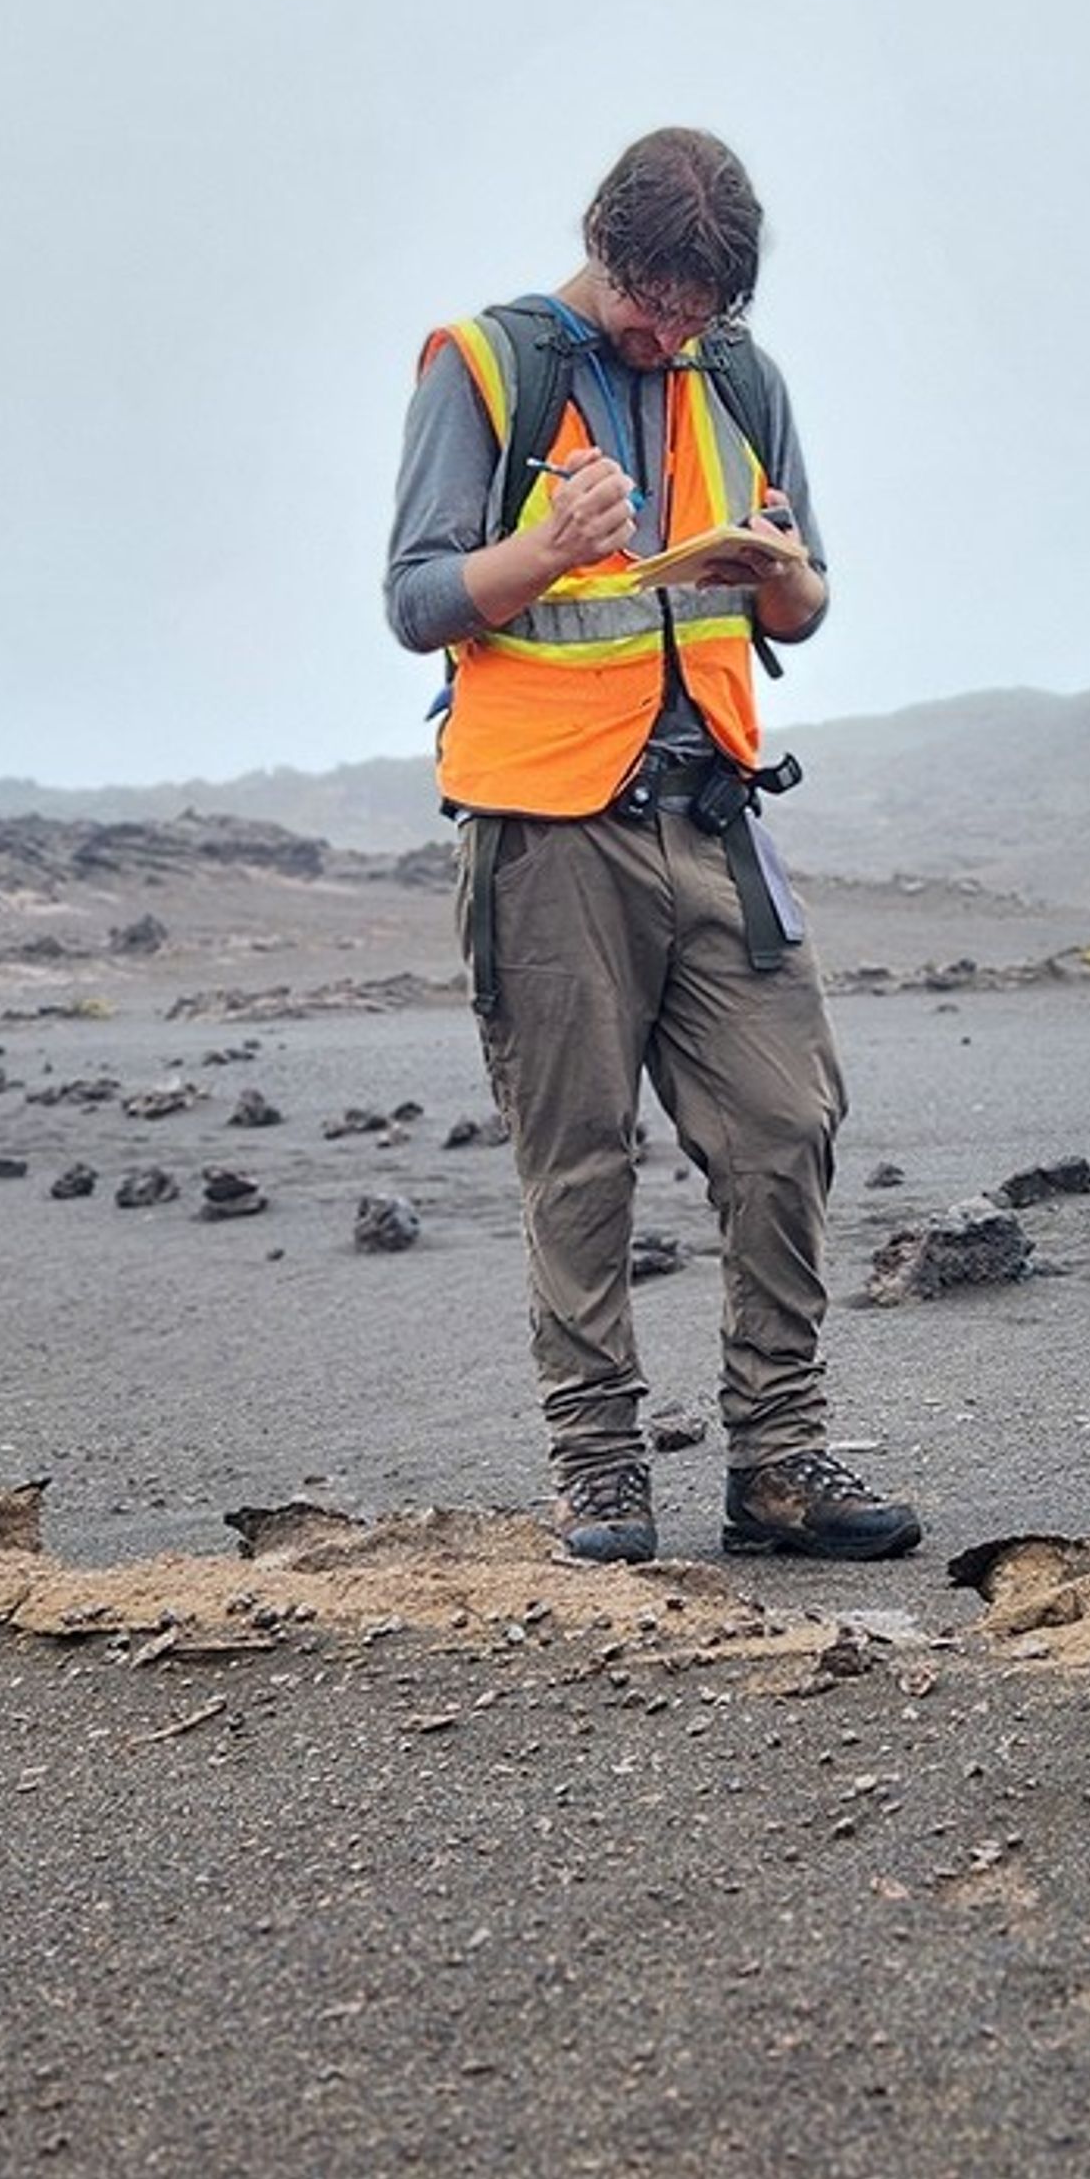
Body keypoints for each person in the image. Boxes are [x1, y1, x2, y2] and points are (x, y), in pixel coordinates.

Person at [382, 126, 918, 1565]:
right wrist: (547, 550)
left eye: (702, 308)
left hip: (714, 812)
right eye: (655, 297)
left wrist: (787, 574)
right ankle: (602, 1473)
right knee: (580, 1160)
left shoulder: (739, 380)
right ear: (603, 247)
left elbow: (801, 612)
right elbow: (418, 599)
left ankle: (782, 1465)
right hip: (547, 837)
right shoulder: (489, 368)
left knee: (787, 1124)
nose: (673, 328)